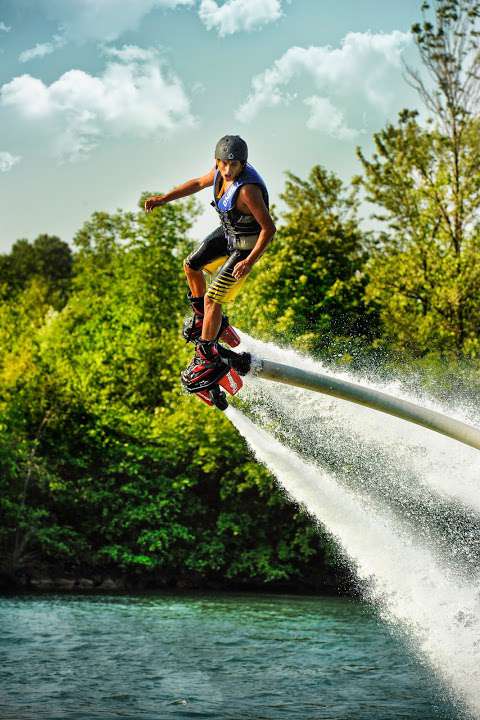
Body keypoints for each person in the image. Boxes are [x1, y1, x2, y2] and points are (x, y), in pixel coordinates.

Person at [144, 134, 276, 390]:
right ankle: (203, 319)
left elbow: (269, 229)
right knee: (191, 265)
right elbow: (195, 183)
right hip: (228, 235)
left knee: (213, 298)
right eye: (223, 163)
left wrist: (249, 261)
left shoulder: (248, 190)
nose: (227, 170)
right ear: (217, 161)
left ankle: (207, 354)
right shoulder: (218, 172)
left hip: (245, 248)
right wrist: (162, 199)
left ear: (243, 164)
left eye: (233, 165)